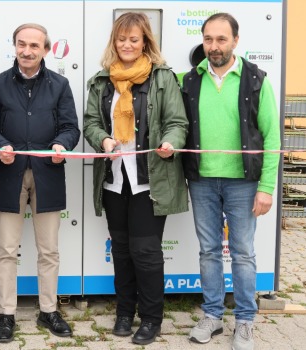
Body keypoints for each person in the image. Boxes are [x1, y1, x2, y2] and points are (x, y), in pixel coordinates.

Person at [83, 12, 189, 345]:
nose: (127, 45)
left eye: (134, 39)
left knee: (145, 251)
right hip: (114, 180)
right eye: (121, 39)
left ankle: (152, 319)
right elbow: (90, 123)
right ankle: (125, 313)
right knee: (122, 251)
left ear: (145, 42)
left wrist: (172, 143)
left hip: (150, 180)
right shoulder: (102, 81)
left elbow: (177, 121)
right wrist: (103, 139)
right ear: (113, 41)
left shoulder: (162, 78)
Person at [182, 13, 280, 350]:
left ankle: (245, 321)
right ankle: (212, 316)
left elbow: (272, 137)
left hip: (243, 183)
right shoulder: (190, 80)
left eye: (221, 39)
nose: (214, 46)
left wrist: (267, 187)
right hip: (202, 180)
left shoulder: (255, 79)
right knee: (209, 251)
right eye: (208, 39)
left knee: (242, 253)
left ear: (235, 41)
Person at [0, 23, 80, 343]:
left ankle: (48, 310)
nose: (27, 51)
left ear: (46, 50)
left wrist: (62, 144)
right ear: (14, 46)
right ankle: (6, 314)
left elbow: (70, 128)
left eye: (34, 46)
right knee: (7, 249)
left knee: (48, 250)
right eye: (21, 44)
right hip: (9, 174)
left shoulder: (60, 85)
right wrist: (0, 146)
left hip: (48, 175)